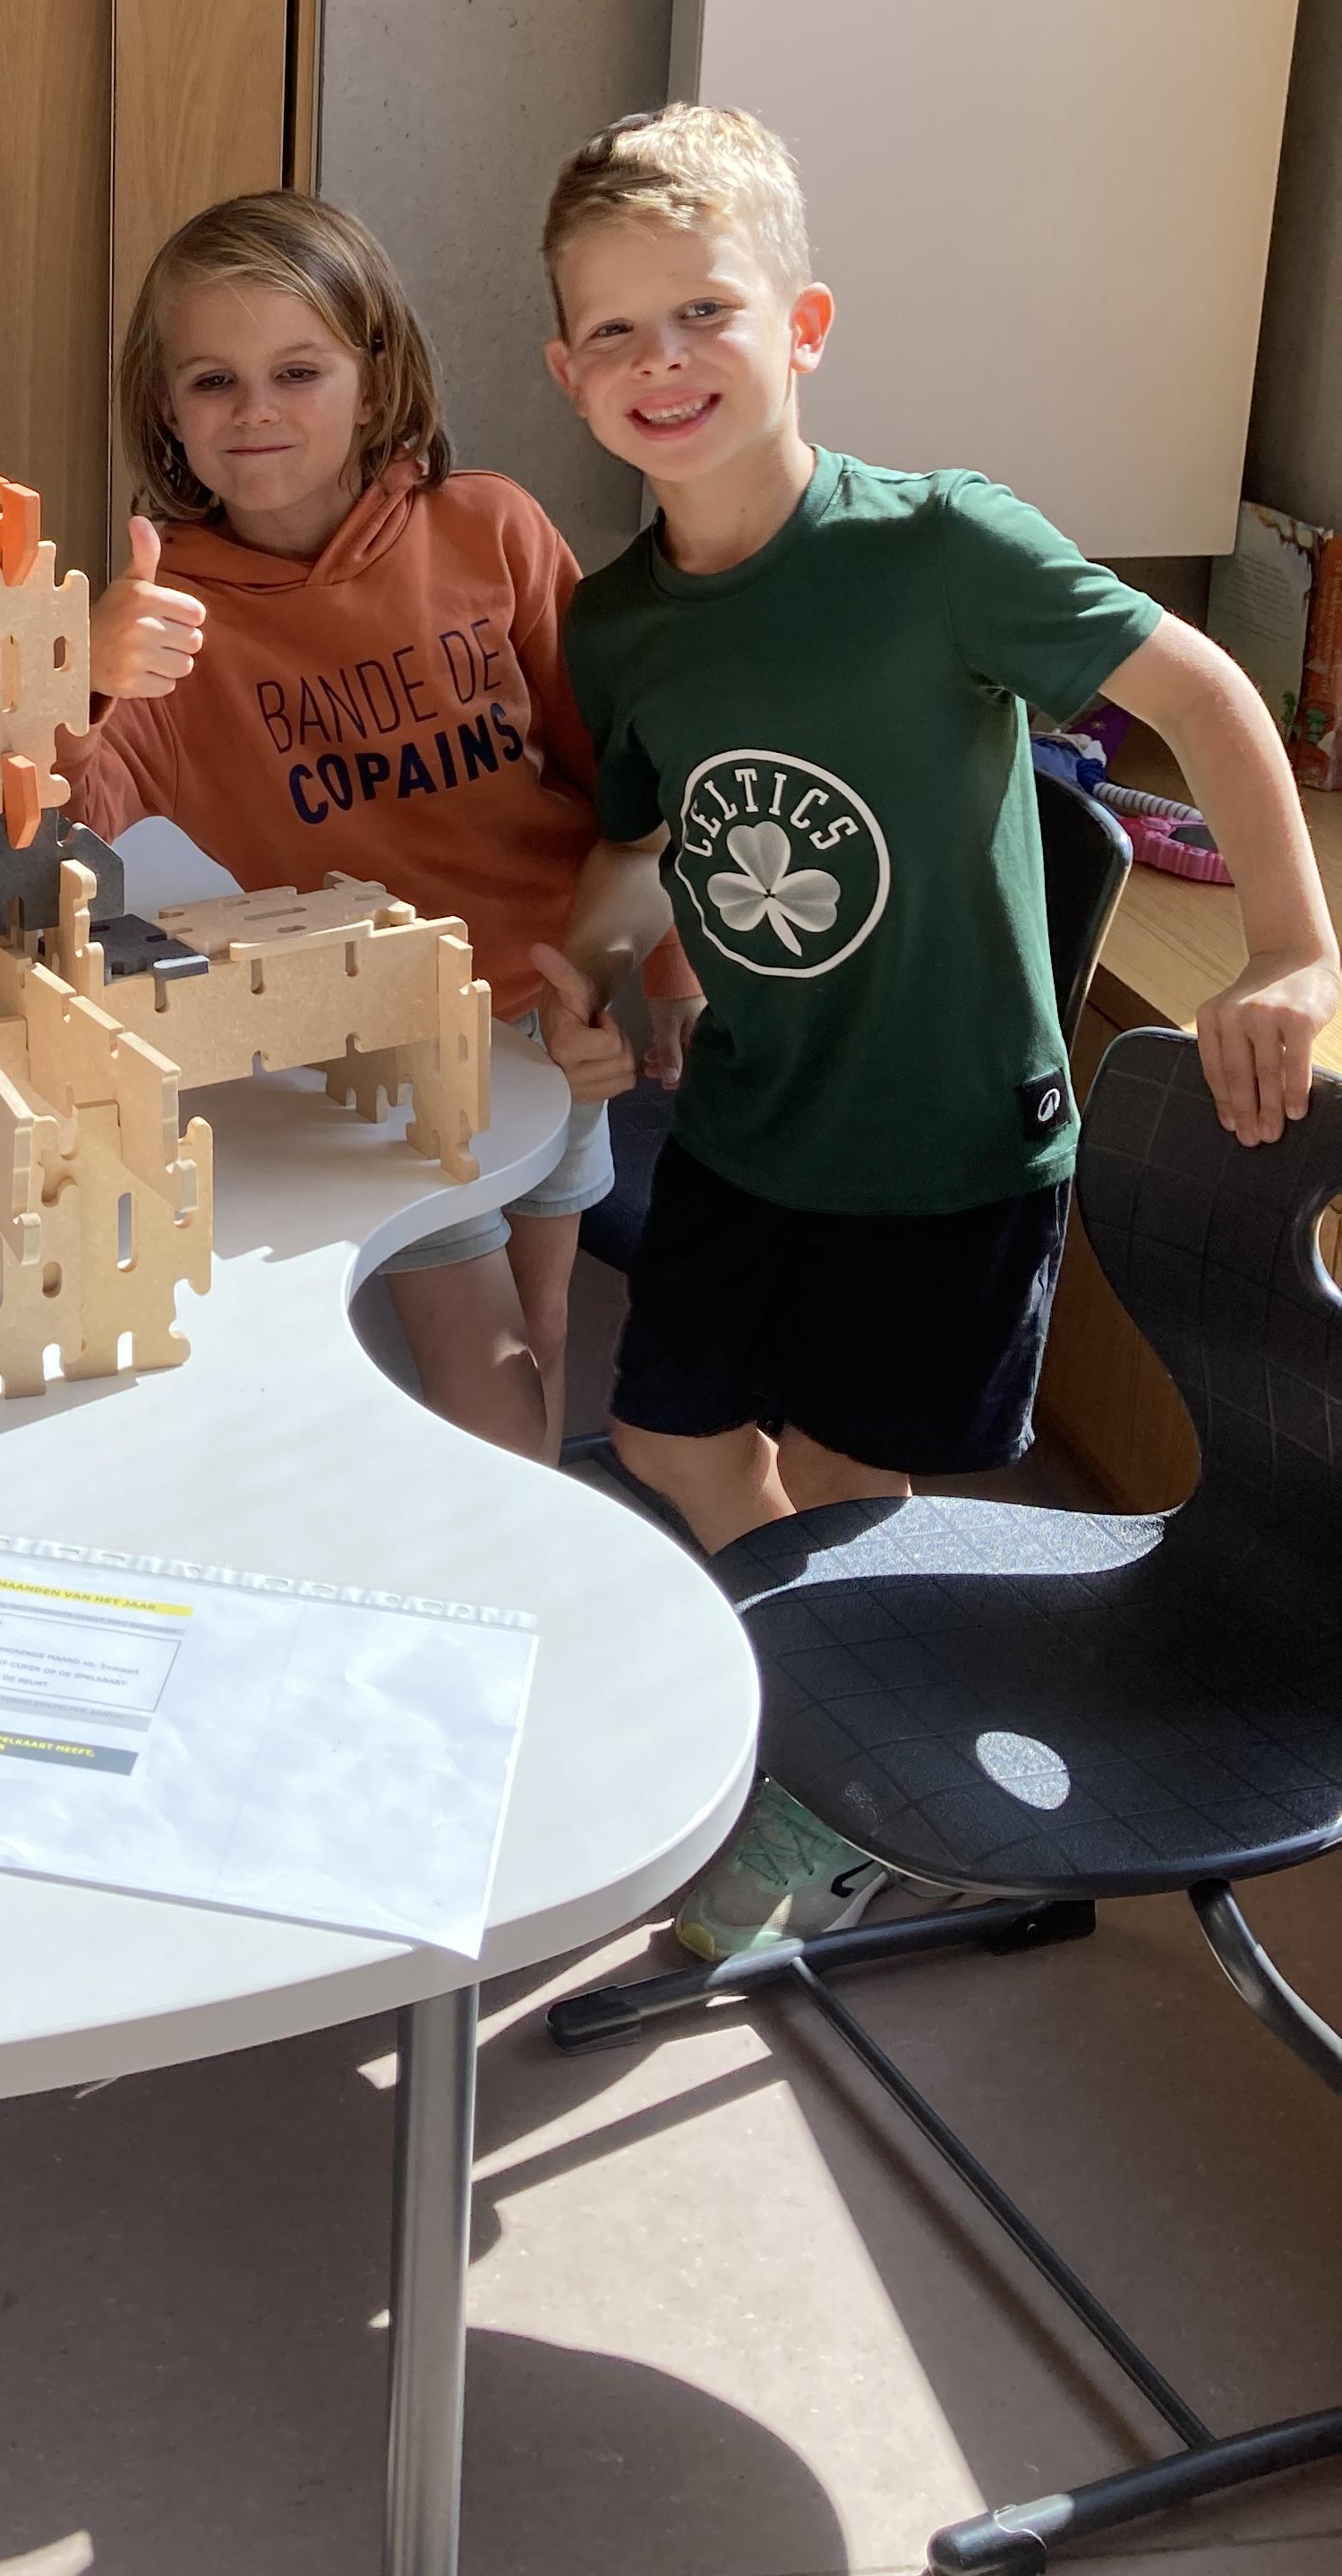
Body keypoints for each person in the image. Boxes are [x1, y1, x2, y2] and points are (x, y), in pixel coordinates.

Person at [528, 103, 1338, 1954]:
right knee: (668, 1436)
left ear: (802, 327)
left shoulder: (939, 544)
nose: (665, 360)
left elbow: (1205, 696)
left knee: (841, 1484)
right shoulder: (619, 621)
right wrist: (587, 966)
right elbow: (646, 844)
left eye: (707, 312)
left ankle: (835, 1790)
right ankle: (821, 1684)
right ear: (569, 373)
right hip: (751, 1124)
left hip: (945, 1151)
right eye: (618, 331)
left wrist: (1295, 950)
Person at [63, 191, 698, 1459]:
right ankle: (504, 1557)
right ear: (166, 408)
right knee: (481, 1363)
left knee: (545, 1327)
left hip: (559, 1010)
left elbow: (628, 788)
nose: (254, 410)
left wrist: (660, 976)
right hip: (372, 1041)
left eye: (298, 372)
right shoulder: (166, 612)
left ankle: (516, 1542)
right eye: (212, 380)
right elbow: (63, 829)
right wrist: (76, 674)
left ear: (376, 379)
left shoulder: (493, 528)